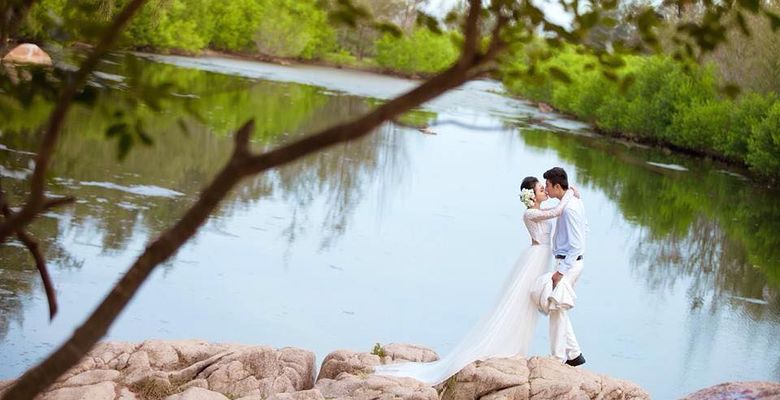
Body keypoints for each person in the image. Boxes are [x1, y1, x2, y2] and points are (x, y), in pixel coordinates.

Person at [372, 175, 578, 385]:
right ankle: (511, 344)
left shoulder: (539, 211)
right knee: (520, 302)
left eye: (545, 188)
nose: (545, 190)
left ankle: (551, 348)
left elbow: (555, 211)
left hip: (539, 259)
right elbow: (557, 211)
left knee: (529, 302)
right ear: (532, 195)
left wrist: (563, 195)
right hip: (534, 260)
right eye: (541, 189)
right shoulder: (530, 213)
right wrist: (570, 192)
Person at [543, 167, 587, 367]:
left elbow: (576, 243)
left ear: (557, 186)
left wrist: (560, 272)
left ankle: (557, 358)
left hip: (568, 264)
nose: (546, 188)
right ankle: (574, 354)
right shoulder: (573, 201)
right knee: (559, 308)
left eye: (548, 185)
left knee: (555, 307)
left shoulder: (569, 208)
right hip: (569, 262)